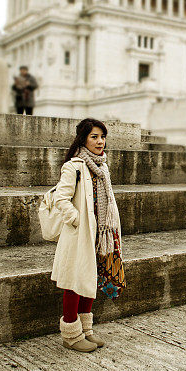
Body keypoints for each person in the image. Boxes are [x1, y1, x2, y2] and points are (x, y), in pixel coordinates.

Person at [51, 118, 126, 352]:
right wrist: (76, 220)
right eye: (94, 137)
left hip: (101, 233)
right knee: (74, 282)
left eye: (102, 137)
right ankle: (71, 335)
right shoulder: (73, 166)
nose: (100, 141)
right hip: (80, 234)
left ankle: (86, 330)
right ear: (83, 139)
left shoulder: (103, 166)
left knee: (91, 278)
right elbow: (60, 199)